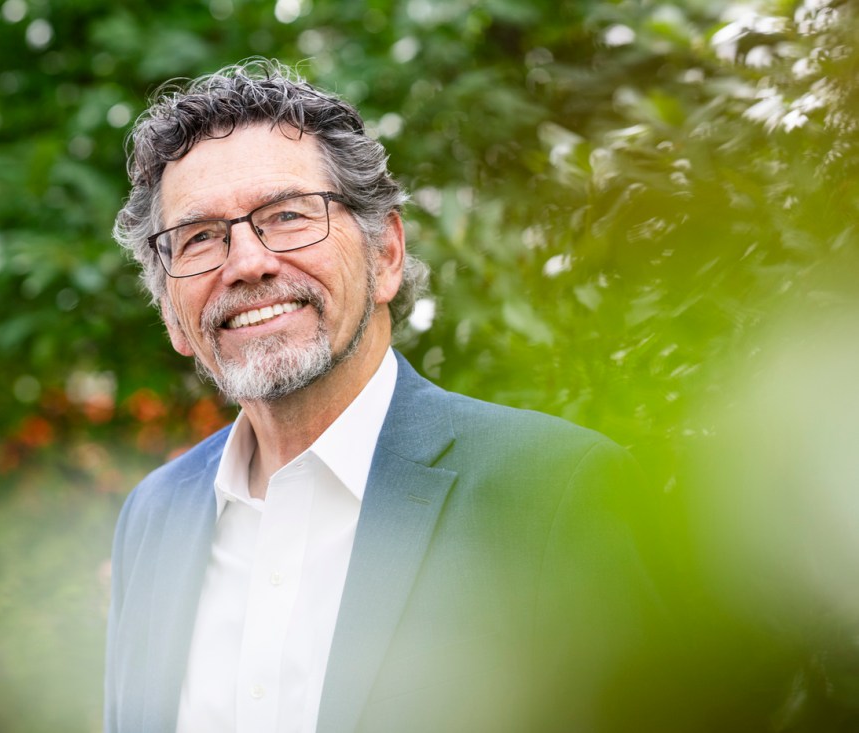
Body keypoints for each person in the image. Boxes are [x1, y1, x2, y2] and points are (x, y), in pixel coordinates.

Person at [105, 60, 665, 733]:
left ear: (387, 254)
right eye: (199, 238)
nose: (247, 261)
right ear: (172, 314)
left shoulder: (556, 493)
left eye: (286, 215)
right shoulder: (153, 517)